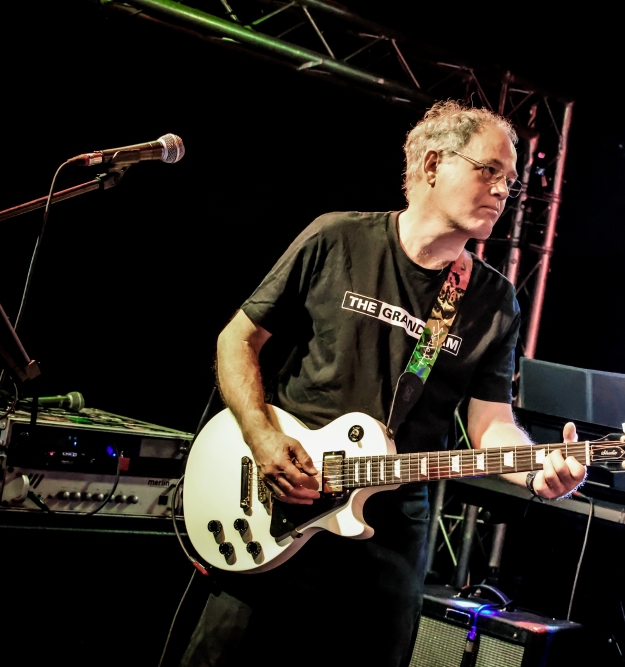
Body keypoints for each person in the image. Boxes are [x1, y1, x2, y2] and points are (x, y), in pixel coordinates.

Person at [180, 101, 587, 667]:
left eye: (510, 180)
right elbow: (237, 339)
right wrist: (261, 436)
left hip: (387, 536)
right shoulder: (337, 238)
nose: (502, 190)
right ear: (433, 165)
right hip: (278, 499)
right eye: (488, 170)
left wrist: (537, 470)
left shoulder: (494, 301)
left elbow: (490, 425)